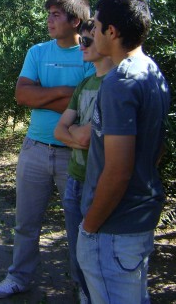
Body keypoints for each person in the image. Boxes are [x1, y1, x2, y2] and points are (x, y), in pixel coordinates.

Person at [0, 0, 95, 299]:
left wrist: (44, 93)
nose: (49, 20)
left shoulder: (89, 53)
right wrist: (65, 92)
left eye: (56, 15)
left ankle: (82, 286)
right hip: (35, 148)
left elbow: (85, 106)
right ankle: (19, 277)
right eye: (48, 14)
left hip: (73, 153)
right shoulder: (37, 52)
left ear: (76, 21)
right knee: (25, 222)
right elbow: (22, 96)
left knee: (78, 226)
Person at [77, 0, 170, 304]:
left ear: (112, 32)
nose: (91, 32)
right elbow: (156, 148)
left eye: (97, 25)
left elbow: (117, 171)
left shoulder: (119, 82)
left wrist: (89, 228)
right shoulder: (151, 71)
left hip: (112, 227)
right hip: (139, 217)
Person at [54, 19, 114, 304]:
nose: (82, 47)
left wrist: (75, 132)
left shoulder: (114, 85)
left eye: (87, 41)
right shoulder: (85, 83)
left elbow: (86, 136)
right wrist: (78, 134)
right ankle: (84, 296)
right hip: (74, 177)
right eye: (81, 41)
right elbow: (59, 130)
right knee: (77, 250)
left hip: (97, 180)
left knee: (98, 253)